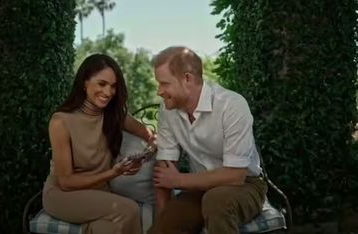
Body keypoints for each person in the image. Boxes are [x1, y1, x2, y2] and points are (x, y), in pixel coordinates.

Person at [148, 46, 267, 234]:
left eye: (164, 84)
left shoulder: (232, 105)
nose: (159, 91)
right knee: (164, 227)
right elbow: (165, 172)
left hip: (246, 185)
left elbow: (235, 176)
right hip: (198, 188)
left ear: (187, 79)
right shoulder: (168, 110)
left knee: (216, 201)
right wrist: (164, 217)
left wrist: (179, 180)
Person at [42, 54, 155, 234]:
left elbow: (152, 137)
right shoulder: (61, 122)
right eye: (102, 84)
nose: (108, 92)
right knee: (129, 209)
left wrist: (144, 157)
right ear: (84, 83)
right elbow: (66, 182)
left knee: (109, 228)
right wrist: (113, 172)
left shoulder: (115, 116)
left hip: (99, 193)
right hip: (63, 195)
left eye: (113, 86)